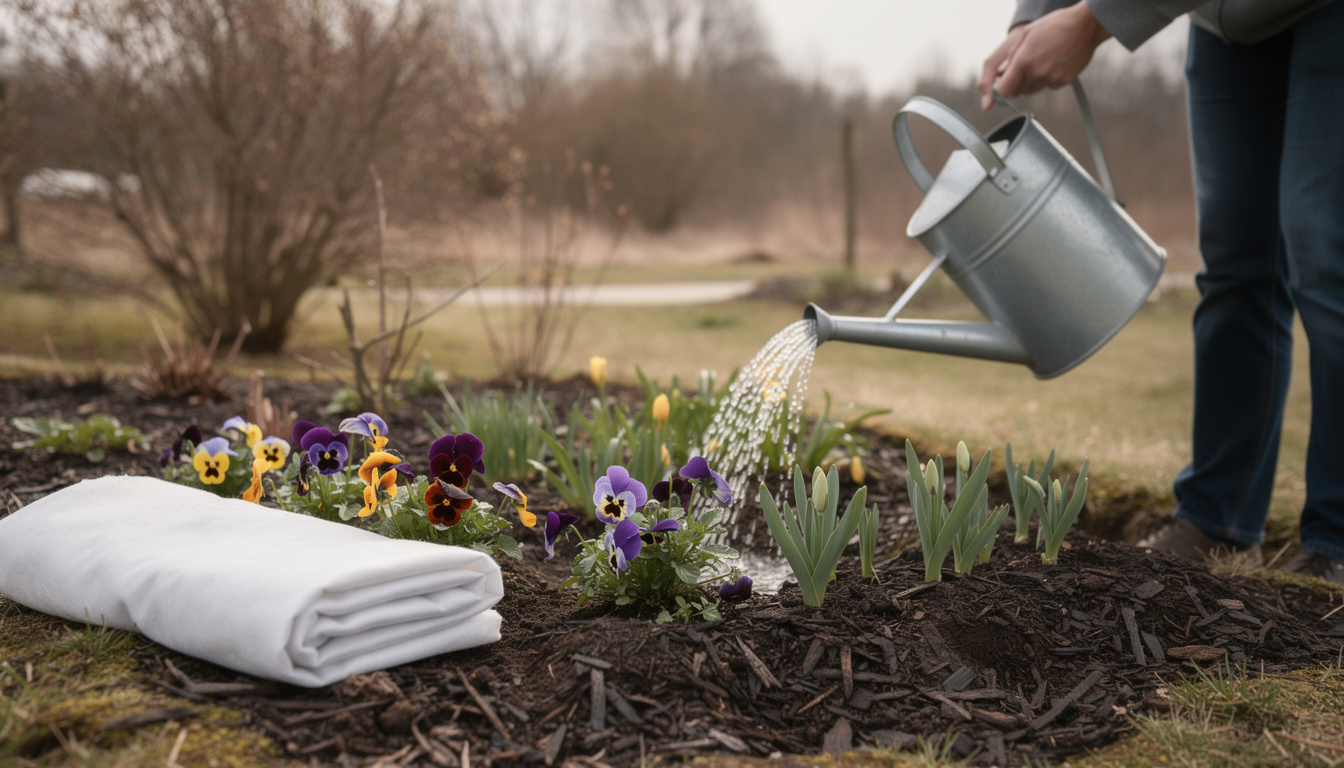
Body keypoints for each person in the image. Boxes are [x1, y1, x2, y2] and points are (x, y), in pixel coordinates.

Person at [978, 0, 1344, 585]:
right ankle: (1217, 516)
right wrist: (1038, 13)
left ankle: (1337, 539)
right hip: (1226, 22)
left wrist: (1094, 19)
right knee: (1234, 257)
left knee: (1327, 252)